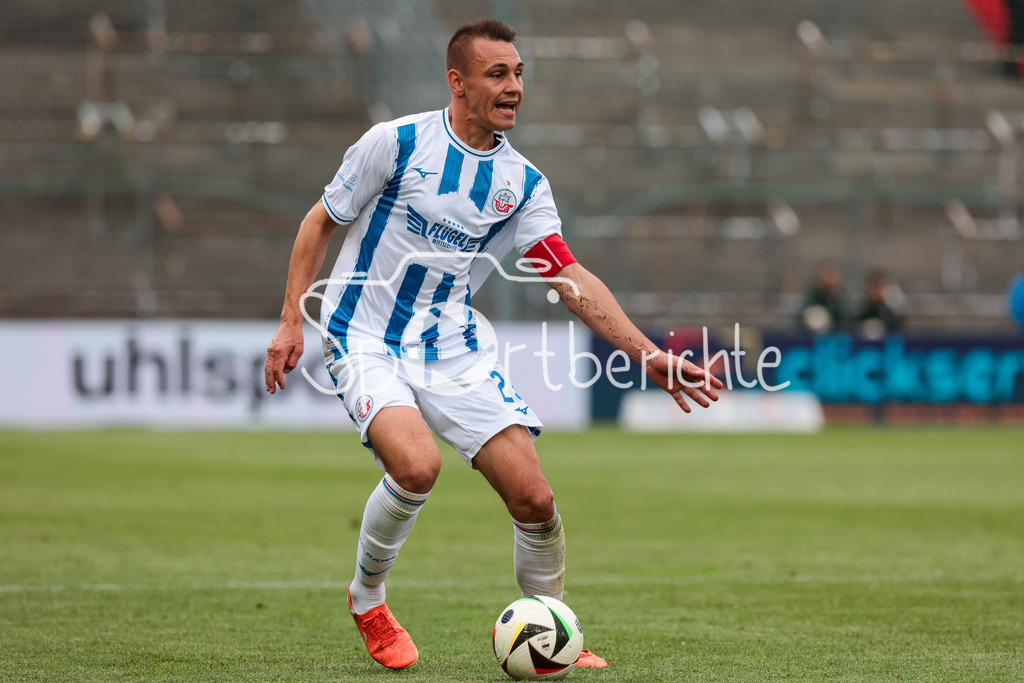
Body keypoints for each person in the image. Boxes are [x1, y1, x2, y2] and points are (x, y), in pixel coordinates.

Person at [264, 18, 723, 671]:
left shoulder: (523, 184)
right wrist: (291, 319)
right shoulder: (393, 144)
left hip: (448, 343)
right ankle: (368, 598)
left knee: (535, 497)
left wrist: (647, 352)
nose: (514, 88)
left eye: (519, 74)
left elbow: (570, 277)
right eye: (498, 74)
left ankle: (556, 631)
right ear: (458, 82)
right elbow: (320, 222)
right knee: (418, 466)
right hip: (360, 331)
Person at [798, 258, 848, 334]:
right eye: (827, 274)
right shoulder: (812, 298)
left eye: (833, 274)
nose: (830, 278)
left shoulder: (842, 299)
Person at [856, 269, 906, 339]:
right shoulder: (860, 314)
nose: (877, 291)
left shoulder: (893, 317)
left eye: (881, 286)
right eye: (874, 286)